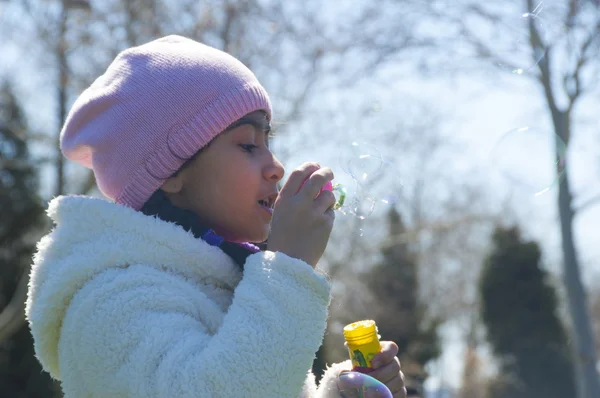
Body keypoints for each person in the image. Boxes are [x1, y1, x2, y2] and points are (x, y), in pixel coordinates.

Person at [25, 35, 406, 397]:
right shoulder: (109, 300)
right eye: (247, 144)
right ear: (171, 171)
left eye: (268, 143)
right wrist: (288, 267)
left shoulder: (228, 284)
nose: (275, 167)